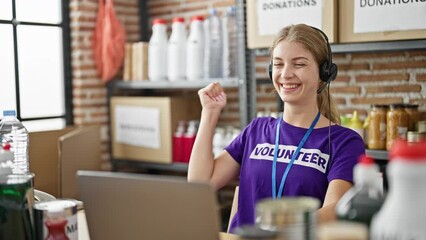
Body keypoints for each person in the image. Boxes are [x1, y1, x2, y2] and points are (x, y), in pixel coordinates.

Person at [187, 23, 365, 233]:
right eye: (279, 64)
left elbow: (335, 210)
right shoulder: (256, 130)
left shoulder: (344, 141)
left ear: (323, 74)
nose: (286, 74)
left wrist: (281, 227)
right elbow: (200, 183)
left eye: (298, 64)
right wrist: (209, 113)